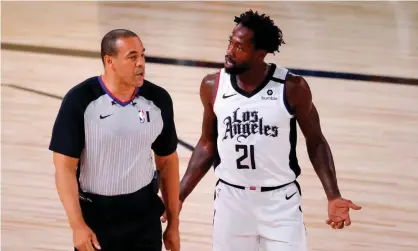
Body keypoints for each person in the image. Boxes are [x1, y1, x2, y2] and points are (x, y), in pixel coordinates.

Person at [174, 10, 362, 251]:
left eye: (239, 47)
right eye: (230, 42)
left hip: (280, 203)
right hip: (231, 202)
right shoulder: (212, 85)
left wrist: (333, 195)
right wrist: (179, 195)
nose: (229, 51)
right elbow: (207, 143)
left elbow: (315, 141)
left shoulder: (292, 87)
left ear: (260, 53)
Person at [49, 29, 180, 251]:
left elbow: (168, 161)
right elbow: (64, 168)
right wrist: (77, 226)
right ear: (109, 61)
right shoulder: (80, 100)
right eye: (132, 57)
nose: (141, 63)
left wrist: (174, 226)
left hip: (144, 216)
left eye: (142, 55)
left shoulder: (158, 100)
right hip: (98, 219)